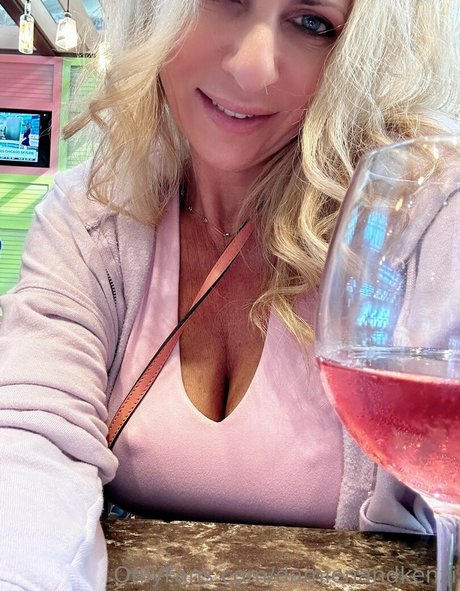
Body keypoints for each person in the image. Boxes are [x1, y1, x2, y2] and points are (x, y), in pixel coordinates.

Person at [0, 0, 458, 588]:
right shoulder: (95, 215)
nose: (251, 67)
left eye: (313, 23)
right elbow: (29, 439)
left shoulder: (425, 219)